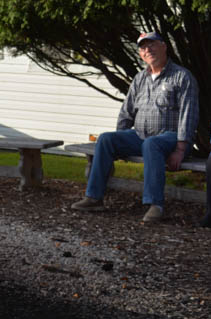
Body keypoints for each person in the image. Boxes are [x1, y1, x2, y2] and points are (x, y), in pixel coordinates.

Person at [71, 32, 199, 223]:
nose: (148, 50)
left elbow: (189, 114)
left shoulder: (182, 76)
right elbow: (127, 111)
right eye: (143, 48)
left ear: (164, 46)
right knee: (106, 139)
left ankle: (155, 205)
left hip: (171, 138)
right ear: (140, 54)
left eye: (152, 45)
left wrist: (181, 148)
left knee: (151, 144)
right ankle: (94, 197)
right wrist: (120, 137)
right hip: (141, 136)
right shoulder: (140, 79)